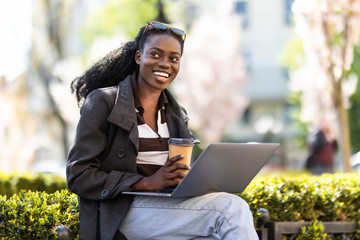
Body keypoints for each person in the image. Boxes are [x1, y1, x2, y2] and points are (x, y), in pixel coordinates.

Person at [66, 21, 259, 240]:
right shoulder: (103, 101)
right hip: (122, 211)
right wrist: (145, 182)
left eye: (173, 58)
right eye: (156, 55)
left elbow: (170, 175)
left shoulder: (176, 114)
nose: (165, 64)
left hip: (166, 206)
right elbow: (78, 175)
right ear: (139, 57)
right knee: (230, 209)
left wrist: (193, 180)